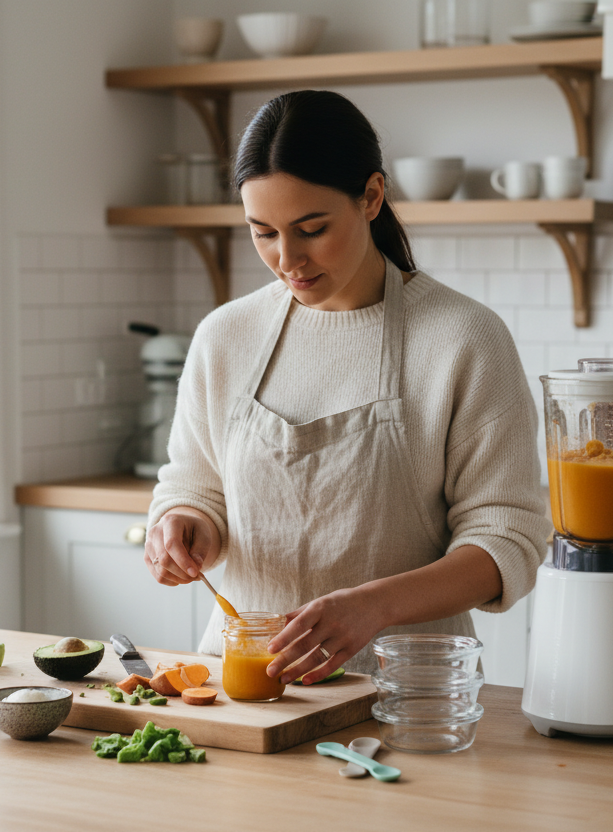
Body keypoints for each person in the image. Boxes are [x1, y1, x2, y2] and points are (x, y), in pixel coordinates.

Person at [145, 89, 552, 683]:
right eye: (262, 232)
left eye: (311, 229)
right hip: (248, 687)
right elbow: (195, 487)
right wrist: (184, 527)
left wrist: (375, 605)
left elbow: (506, 541)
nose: (288, 259)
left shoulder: (465, 339)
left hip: (407, 695)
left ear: (371, 196)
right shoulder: (225, 335)